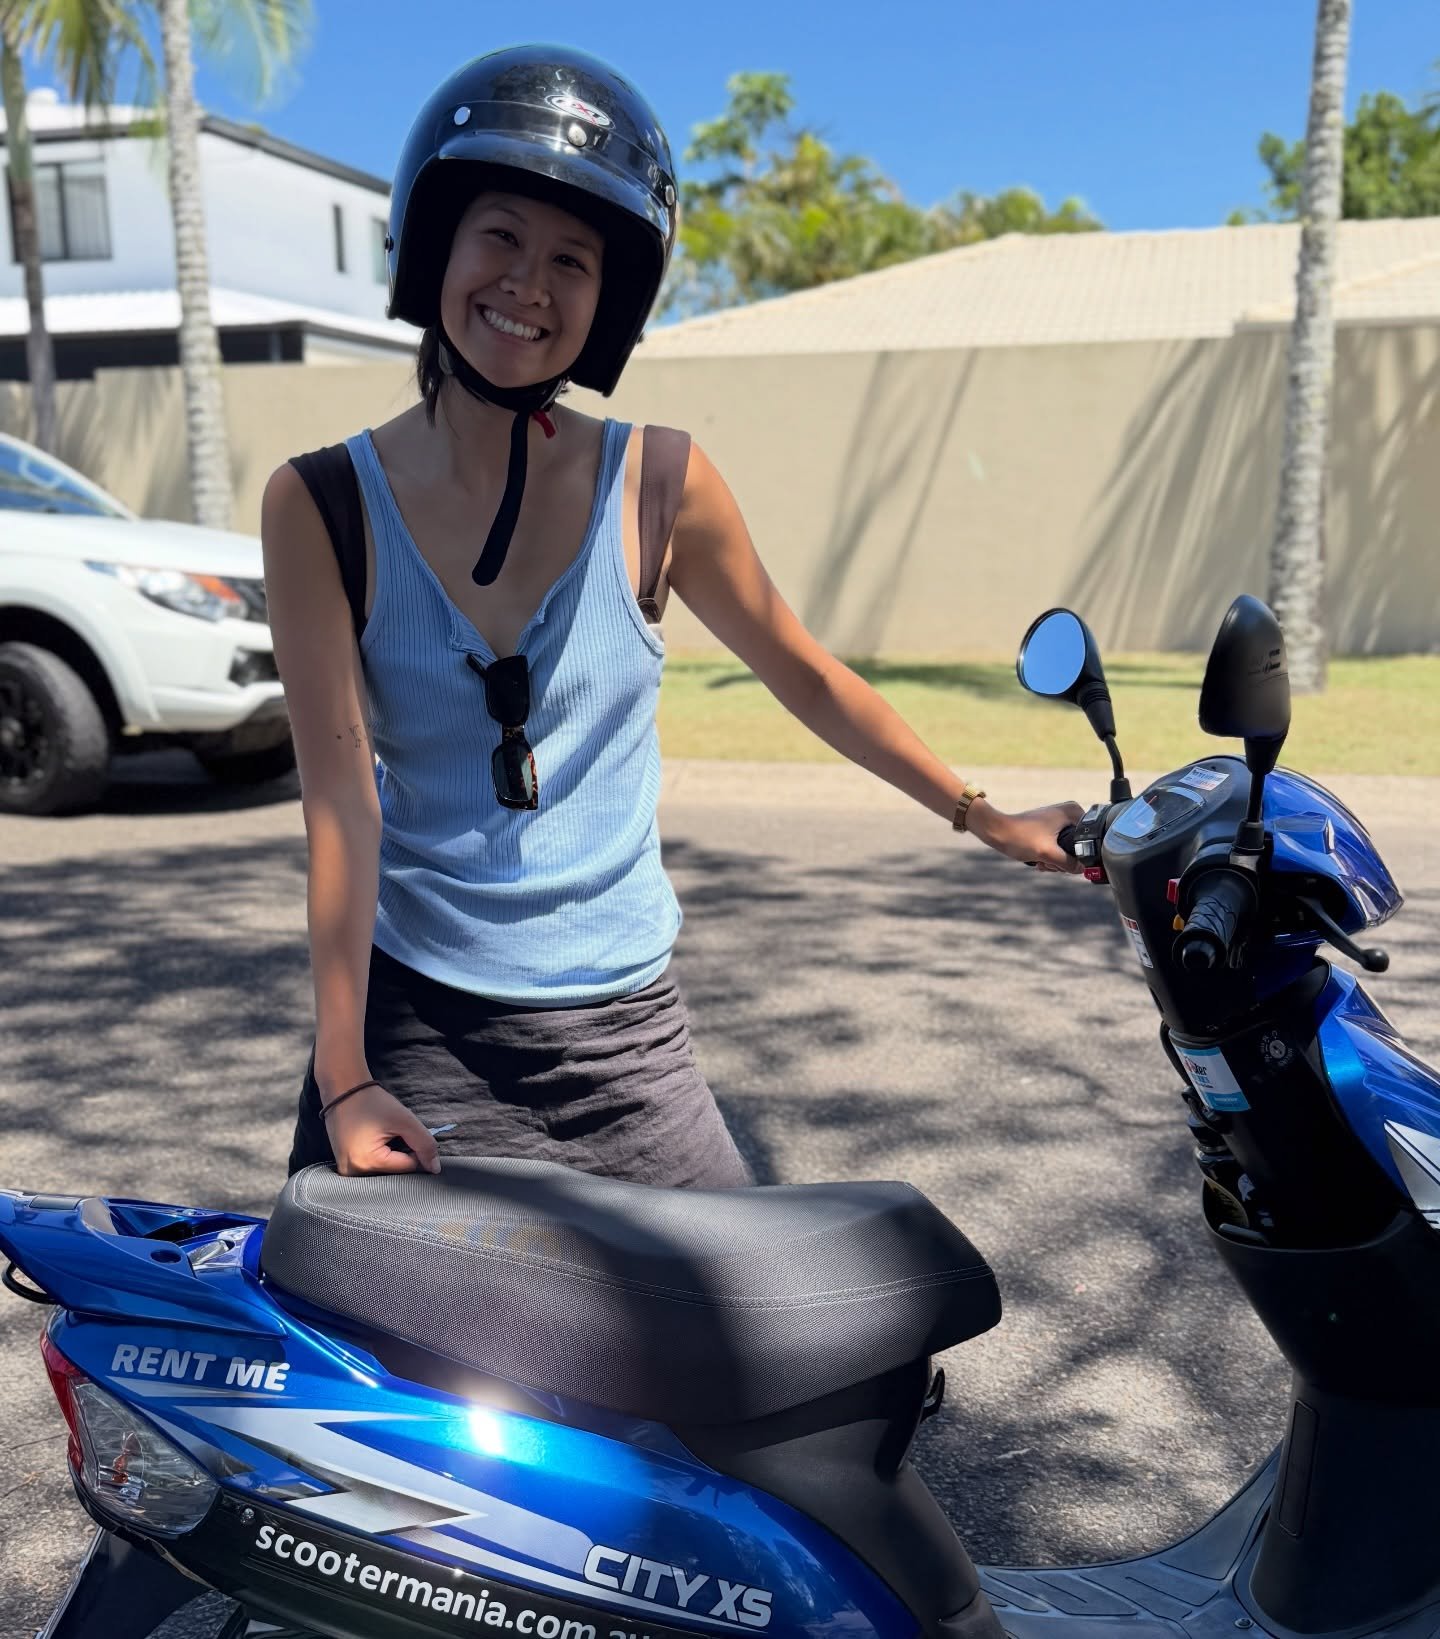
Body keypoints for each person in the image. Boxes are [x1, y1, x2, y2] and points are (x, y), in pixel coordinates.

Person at [262, 45, 1082, 1188]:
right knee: (369, 1348)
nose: (528, 285)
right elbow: (343, 805)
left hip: (624, 1041)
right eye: (499, 234)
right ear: (436, 238)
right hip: (418, 1022)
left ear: (611, 301)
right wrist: (345, 1076)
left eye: (572, 259)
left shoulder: (659, 484)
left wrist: (985, 815)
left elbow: (802, 674)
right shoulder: (322, 506)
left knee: (756, 1345)